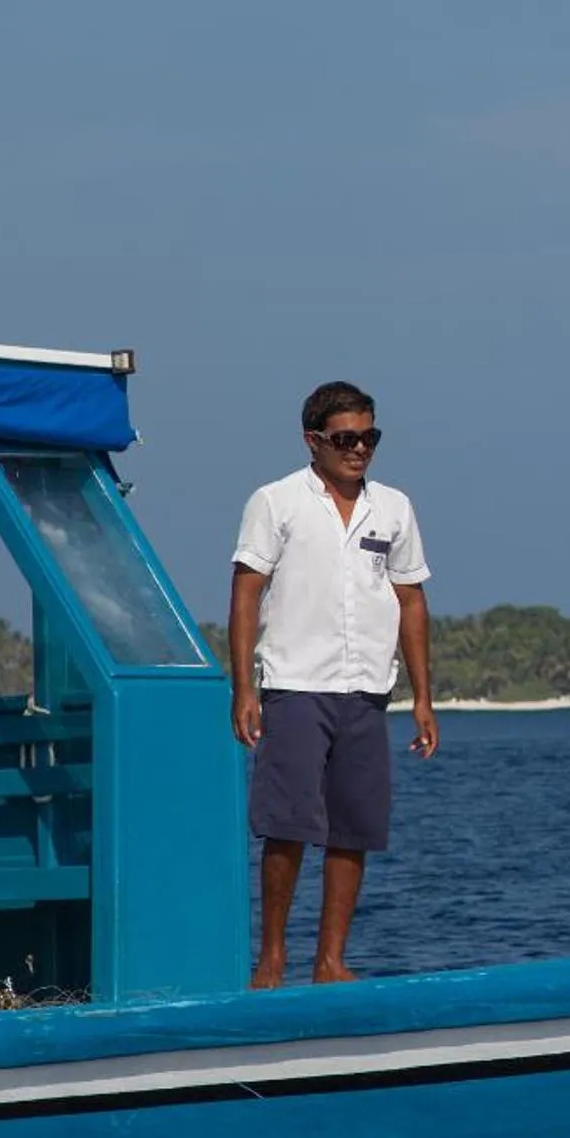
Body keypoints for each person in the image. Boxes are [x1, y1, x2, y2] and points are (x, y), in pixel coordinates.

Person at [230, 380, 438, 988]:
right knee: (288, 825)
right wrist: (244, 688)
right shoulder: (276, 501)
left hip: (367, 689)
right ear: (313, 440)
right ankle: (271, 958)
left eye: (369, 437)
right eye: (346, 439)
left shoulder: (394, 508)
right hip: (295, 683)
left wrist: (423, 696)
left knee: (354, 829)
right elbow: (246, 592)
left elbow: (411, 600)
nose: (359, 450)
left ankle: (331, 961)